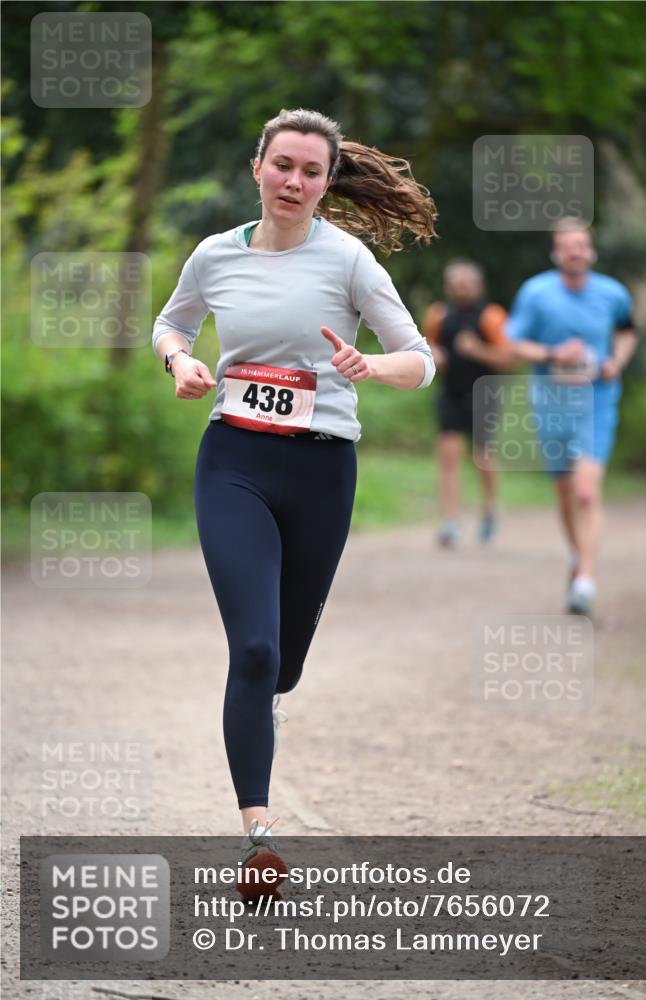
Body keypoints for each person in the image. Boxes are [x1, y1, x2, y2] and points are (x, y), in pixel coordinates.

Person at [151, 108, 437, 899]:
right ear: (258, 168)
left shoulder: (347, 261)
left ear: (326, 181)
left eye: (311, 171)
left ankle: (266, 705)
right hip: (233, 460)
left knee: (283, 665)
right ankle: (259, 837)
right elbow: (170, 324)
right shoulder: (214, 256)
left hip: (320, 472)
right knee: (252, 651)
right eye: (282, 165)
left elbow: (421, 358)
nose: (294, 181)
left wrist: (370, 369)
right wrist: (180, 359)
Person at [507, 217, 638, 616]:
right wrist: (552, 354)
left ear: (591, 250)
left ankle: (584, 577)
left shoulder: (613, 293)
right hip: (550, 400)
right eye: (567, 246)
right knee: (565, 493)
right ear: (556, 252)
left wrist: (617, 360)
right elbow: (513, 343)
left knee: (586, 490)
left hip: (597, 398)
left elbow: (627, 331)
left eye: (581, 245)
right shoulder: (536, 292)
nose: (575, 251)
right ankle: (578, 555)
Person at [422, 260, 510, 547]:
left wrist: (477, 350)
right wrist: (434, 354)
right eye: (456, 284)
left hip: (484, 394)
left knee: (483, 457)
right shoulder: (438, 314)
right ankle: (450, 522)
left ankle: (489, 509)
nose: (461, 289)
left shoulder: (492, 317)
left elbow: (508, 358)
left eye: (467, 284)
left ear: (478, 286)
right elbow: (427, 345)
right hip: (450, 393)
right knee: (448, 456)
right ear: (449, 286)